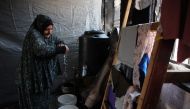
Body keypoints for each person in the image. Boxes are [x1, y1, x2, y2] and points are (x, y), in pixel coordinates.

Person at [16, 14, 69, 109]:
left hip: (42, 74)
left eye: (51, 29)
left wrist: (62, 43)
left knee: (45, 96)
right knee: (36, 99)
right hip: (33, 74)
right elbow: (41, 49)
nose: (50, 32)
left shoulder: (45, 32)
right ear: (40, 27)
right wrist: (60, 49)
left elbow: (56, 39)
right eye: (47, 29)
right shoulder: (34, 34)